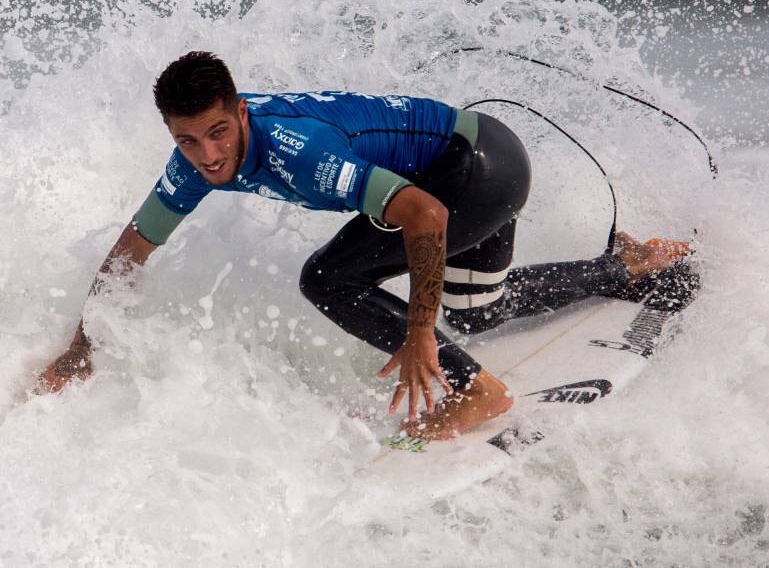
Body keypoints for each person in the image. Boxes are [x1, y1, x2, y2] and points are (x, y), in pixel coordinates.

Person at [38, 51, 685, 440]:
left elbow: (424, 214)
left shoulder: (296, 152)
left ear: (238, 111)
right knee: (479, 309)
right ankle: (623, 266)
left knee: (326, 279)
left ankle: (477, 392)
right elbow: (131, 250)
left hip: (471, 172)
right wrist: (79, 347)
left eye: (217, 133)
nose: (208, 157)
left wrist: (419, 332)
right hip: (481, 151)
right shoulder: (194, 163)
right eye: (187, 141)